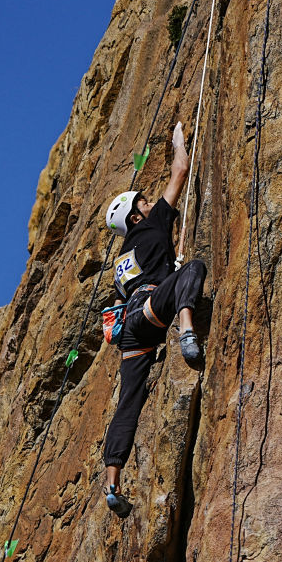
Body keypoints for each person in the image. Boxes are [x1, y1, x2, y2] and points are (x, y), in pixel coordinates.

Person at [101, 122, 207, 518]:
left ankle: (112, 484)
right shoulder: (151, 225)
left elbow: (122, 295)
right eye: (142, 202)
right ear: (134, 218)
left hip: (131, 330)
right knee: (193, 268)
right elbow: (180, 171)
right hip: (149, 310)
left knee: (128, 402)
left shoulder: (119, 263)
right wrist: (180, 141)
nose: (148, 204)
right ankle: (187, 331)